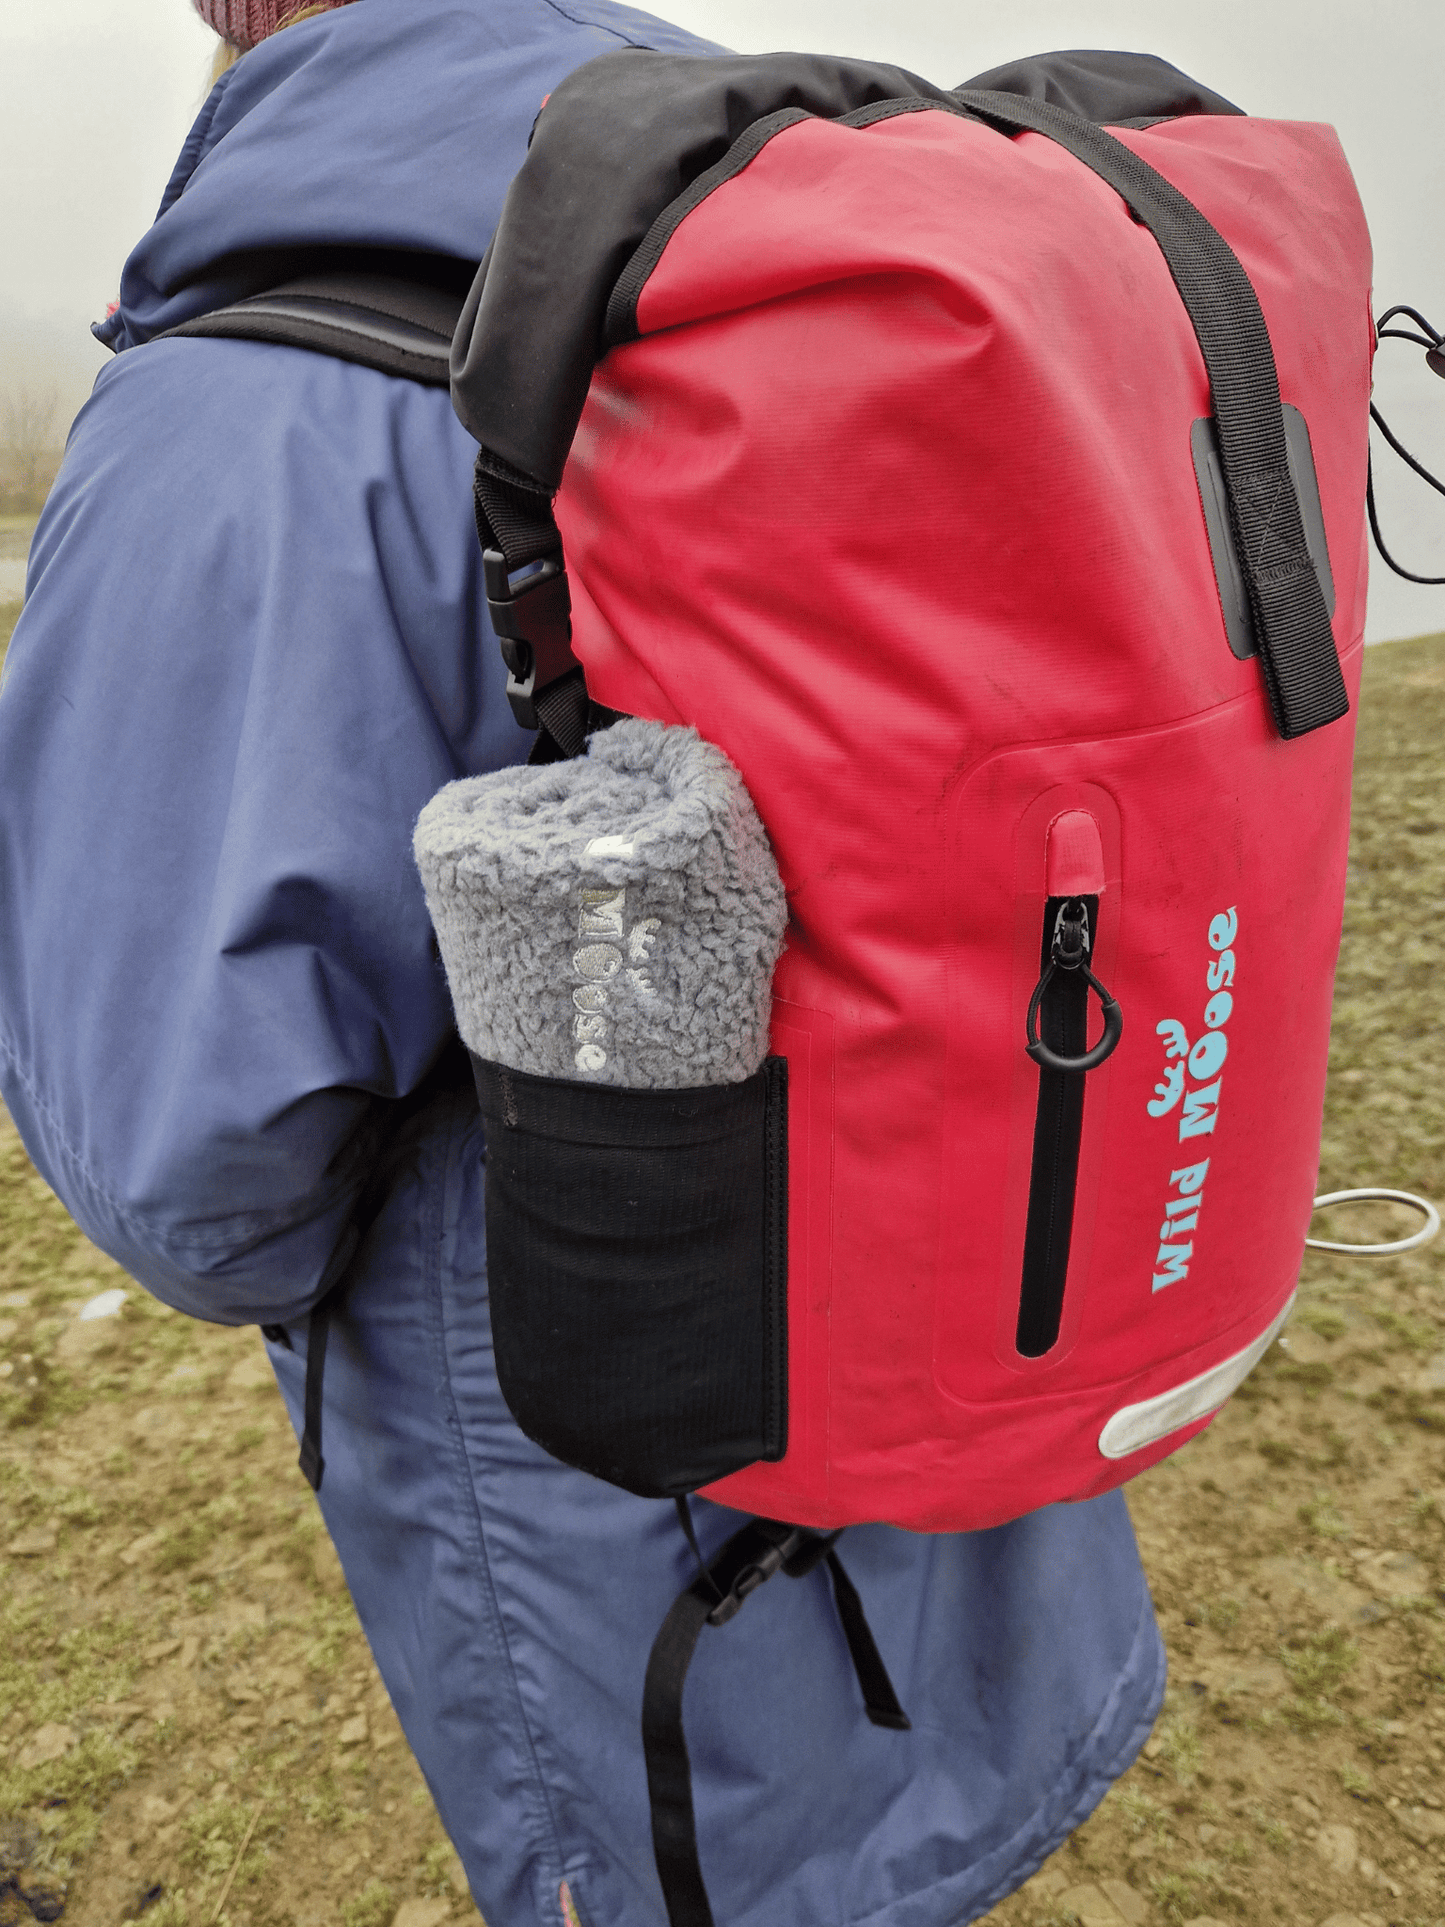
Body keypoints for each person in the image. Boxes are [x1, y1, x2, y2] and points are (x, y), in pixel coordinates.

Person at [0, 2, 1165, 1921]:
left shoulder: (243, 408)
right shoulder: (807, 219)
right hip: (988, 1421)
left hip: (647, 1601)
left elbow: (188, 1190)